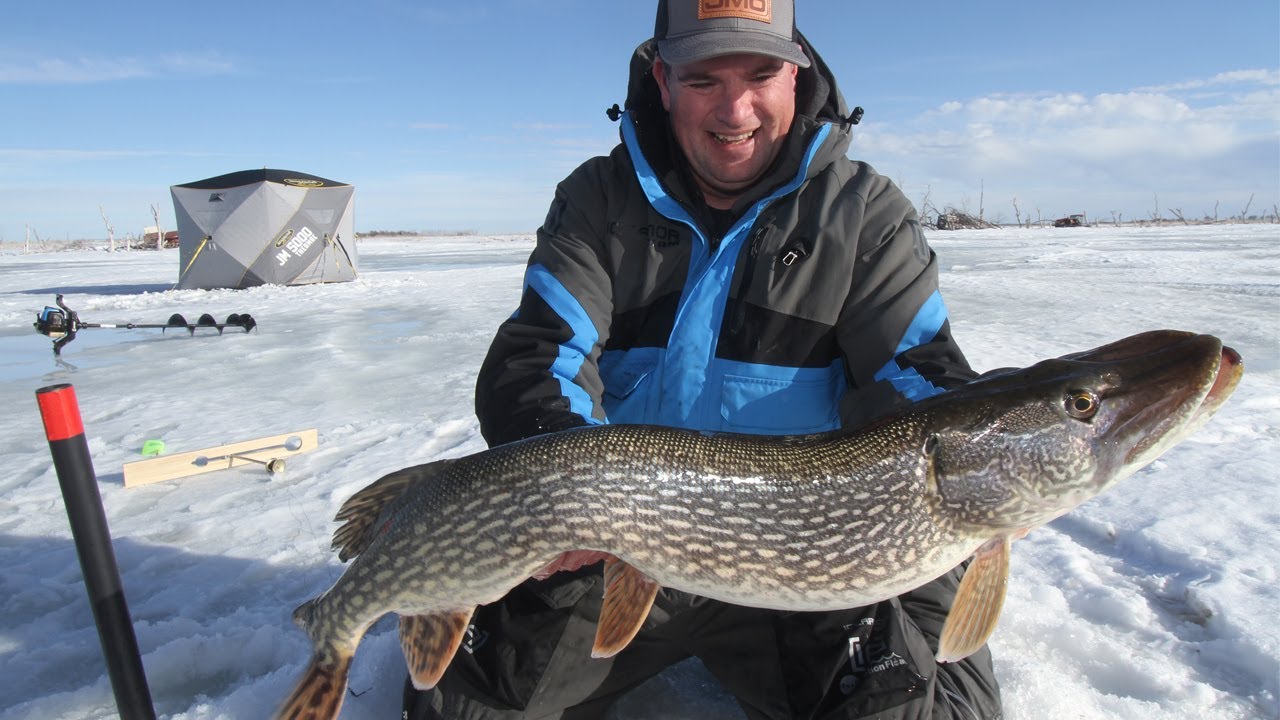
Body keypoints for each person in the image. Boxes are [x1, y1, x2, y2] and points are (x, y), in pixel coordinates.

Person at [404, 1, 1003, 717]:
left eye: (760, 74)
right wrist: (564, 496)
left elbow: (922, 375)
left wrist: (974, 472)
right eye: (702, 80)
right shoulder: (598, 200)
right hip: (619, 539)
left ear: (796, 75)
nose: (736, 108)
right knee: (459, 706)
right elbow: (537, 361)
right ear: (662, 80)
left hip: (804, 553)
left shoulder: (862, 213)